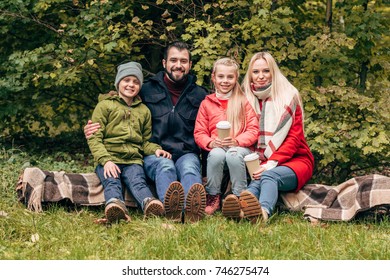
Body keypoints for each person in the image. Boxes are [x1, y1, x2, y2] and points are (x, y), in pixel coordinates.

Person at [84, 42, 209, 223]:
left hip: (185, 152)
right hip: (153, 152)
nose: (178, 65)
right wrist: (89, 127)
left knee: (190, 168)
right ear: (164, 63)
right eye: (173, 60)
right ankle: (171, 211)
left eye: (184, 61)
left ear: (190, 65)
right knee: (165, 166)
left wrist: (205, 169)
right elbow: (120, 100)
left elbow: (207, 128)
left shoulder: (200, 95)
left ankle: (192, 212)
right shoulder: (147, 88)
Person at [223, 51, 315, 223]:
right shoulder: (247, 98)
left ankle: (263, 213)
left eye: (266, 71)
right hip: (263, 161)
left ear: (273, 72)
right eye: (256, 72)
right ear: (250, 74)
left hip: (296, 160)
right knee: (257, 180)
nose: (261, 76)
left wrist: (271, 163)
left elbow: (294, 140)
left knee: (268, 176)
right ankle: (240, 210)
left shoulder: (288, 96)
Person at [87, 61, 171, 223]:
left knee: (138, 181)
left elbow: (145, 141)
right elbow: (95, 138)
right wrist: (106, 161)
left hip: (133, 160)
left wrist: (155, 150)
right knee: (112, 182)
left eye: (136, 82)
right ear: (118, 82)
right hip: (110, 159)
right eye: (126, 80)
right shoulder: (105, 106)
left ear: (140, 86)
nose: (131, 85)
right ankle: (115, 206)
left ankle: (149, 204)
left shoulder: (143, 111)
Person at [194, 58, 259, 216]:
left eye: (230, 77)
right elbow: (199, 132)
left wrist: (237, 141)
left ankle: (239, 196)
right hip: (218, 149)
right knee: (215, 154)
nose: (225, 81)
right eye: (221, 76)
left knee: (233, 153)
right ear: (213, 77)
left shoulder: (243, 101)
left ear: (236, 78)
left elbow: (253, 129)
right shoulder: (207, 103)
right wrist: (210, 143)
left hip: (240, 150)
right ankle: (213, 196)